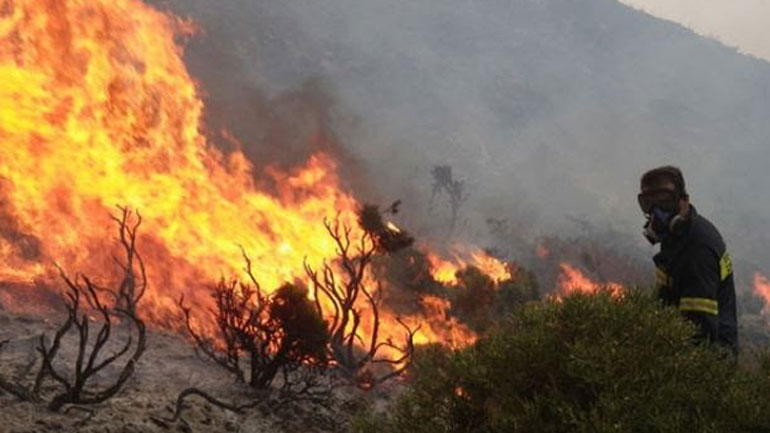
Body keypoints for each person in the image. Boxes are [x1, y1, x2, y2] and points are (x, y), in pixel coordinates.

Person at [637, 166, 738, 354]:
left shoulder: (698, 248)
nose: (656, 212)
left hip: (711, 357)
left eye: (665, 202)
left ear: (683, 201)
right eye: (648, 203)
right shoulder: (676, 237)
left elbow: (700, 329)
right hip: (679, 341)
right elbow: (664, 300)